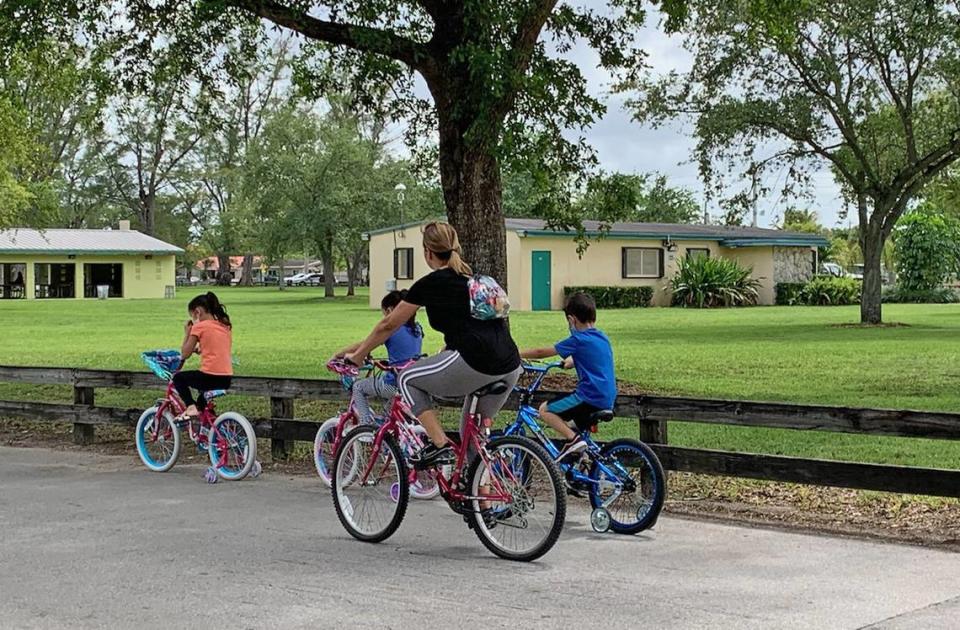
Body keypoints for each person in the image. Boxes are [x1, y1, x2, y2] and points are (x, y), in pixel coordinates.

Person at [344, 221, 522, 468]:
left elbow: (388, 325)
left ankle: (440, 445)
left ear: (427, 252)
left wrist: (359, 355)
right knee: (473, 439)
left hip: (475, 360)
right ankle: (484, 498)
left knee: (407, 378)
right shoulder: (475, 279)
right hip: (510, 364)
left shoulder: (431, 283)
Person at [520, 292, 617, 460]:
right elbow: (591, 356)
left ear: (571, 320)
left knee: (544, 410)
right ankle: (583, 460)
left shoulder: (578, 339)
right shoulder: (601, 337)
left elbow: (540, 352)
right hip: (607, 397)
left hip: (588, 396)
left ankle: (573, 441)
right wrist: (571, 361)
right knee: (572, 425)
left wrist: (516, 354)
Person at [334, 289, 424, 423]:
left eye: (384, 314)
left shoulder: (392, 328)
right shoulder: (417, 328)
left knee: (358, 387)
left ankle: (365, 425)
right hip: (412, 383)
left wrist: (337, 355)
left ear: (390, 311)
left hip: (393, 384)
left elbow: (363, 345)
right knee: (387, 418)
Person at [172, 292, 233, 421]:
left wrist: (187, 333)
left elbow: (184, 354)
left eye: (192, 316)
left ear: (197, 312)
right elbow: (214, 346)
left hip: (209, 376)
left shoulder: (199, 327)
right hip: (226, 377)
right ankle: (210, 432)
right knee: (202, 405)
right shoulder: (224, 326)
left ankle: (189, 406)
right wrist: (200, 349)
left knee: (178, 378)